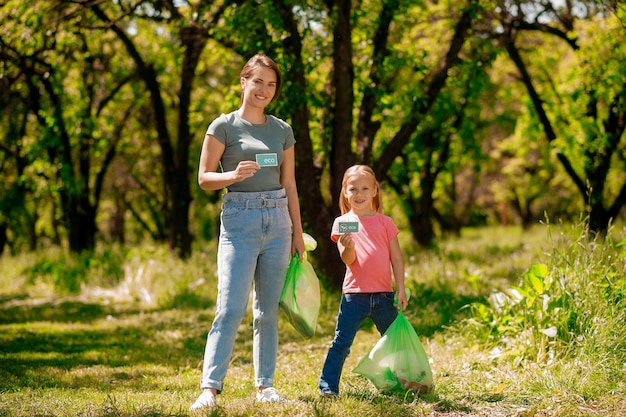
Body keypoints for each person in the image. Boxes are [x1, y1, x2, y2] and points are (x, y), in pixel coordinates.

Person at [190, 54, 305, 411]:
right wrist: (232, 176)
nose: (264, 90)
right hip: (239, 219)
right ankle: (210, 388)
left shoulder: (282, 130)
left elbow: (290, 183)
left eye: (271, 85)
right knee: (230, 308)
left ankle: (265, 385)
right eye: (258, 82)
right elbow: (204, 178)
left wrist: (298, 234)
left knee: (267, 311)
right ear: (243, 82)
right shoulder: (222, 126)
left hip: (278, 219)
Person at [318, 164, 408, 397]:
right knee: (341, 343)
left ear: (375, 191)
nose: (359, 194)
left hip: (384, 296)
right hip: (354, 295)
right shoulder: (343, 223)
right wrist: (348, 246)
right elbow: (347, 259)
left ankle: (404, 382)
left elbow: (396, 258)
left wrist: (401, 289)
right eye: (353, 189)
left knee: (393, 341)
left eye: (365, 188)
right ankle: (328, 387)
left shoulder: (385, 223)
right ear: (345, 193)